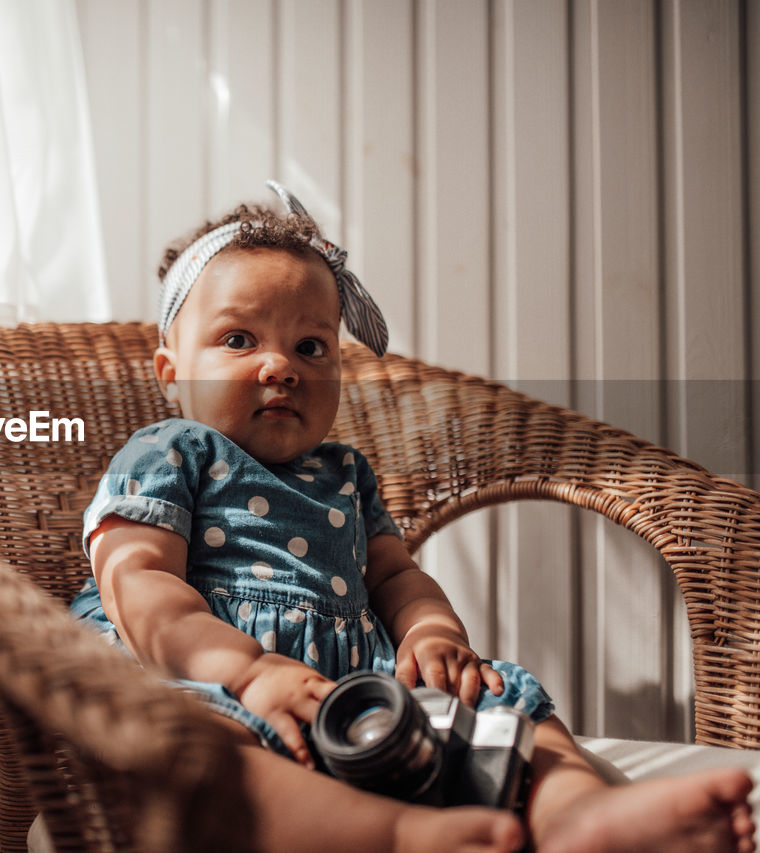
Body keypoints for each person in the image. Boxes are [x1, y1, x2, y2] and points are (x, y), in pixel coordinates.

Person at [70, 181, 756, 853]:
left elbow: (397, 576)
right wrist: (246, 672)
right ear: (170, 370)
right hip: (204, 673)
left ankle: (578, 813)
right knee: (208, 751)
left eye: (311, 346)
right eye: (239, 339)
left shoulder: (345, 472)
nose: (279, 366)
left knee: (508, 703)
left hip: (354, 682)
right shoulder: (170, 451)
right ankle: (399, 835)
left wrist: (432, 634)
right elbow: (140, 583)